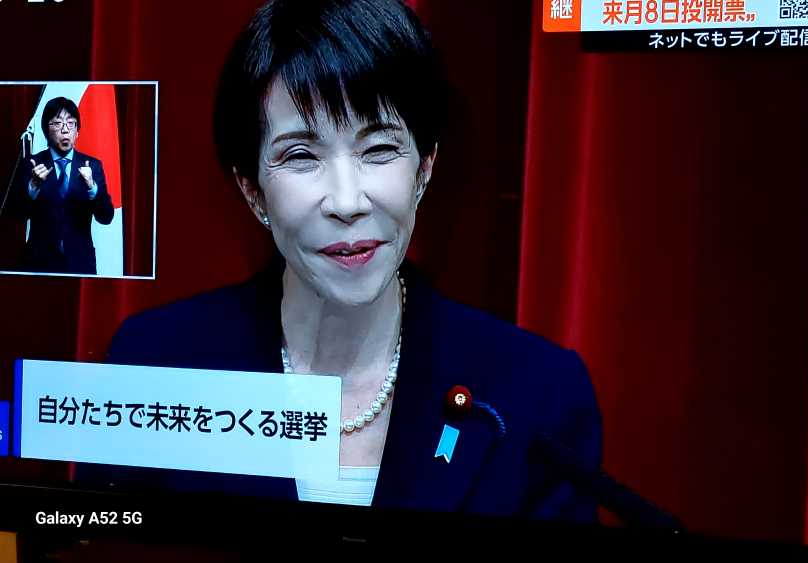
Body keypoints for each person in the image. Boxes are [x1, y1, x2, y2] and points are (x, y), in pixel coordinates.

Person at [78, 0, 602, 522]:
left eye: (378, 150)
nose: (347, 202)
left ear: (424, 169)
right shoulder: (152, 365)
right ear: (253, 191)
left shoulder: (540, 392)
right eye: (301, 156)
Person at [13, 97, 114, 275]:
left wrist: (92, 187)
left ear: (77, 131)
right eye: (58, 123)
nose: (65, 129)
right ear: (46, 130)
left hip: (80, 264)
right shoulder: (31, 164)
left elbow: (106, 217)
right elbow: (17, 215)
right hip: (39, 264)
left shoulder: (93, 165)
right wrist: (33, 187)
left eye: (71, 123)